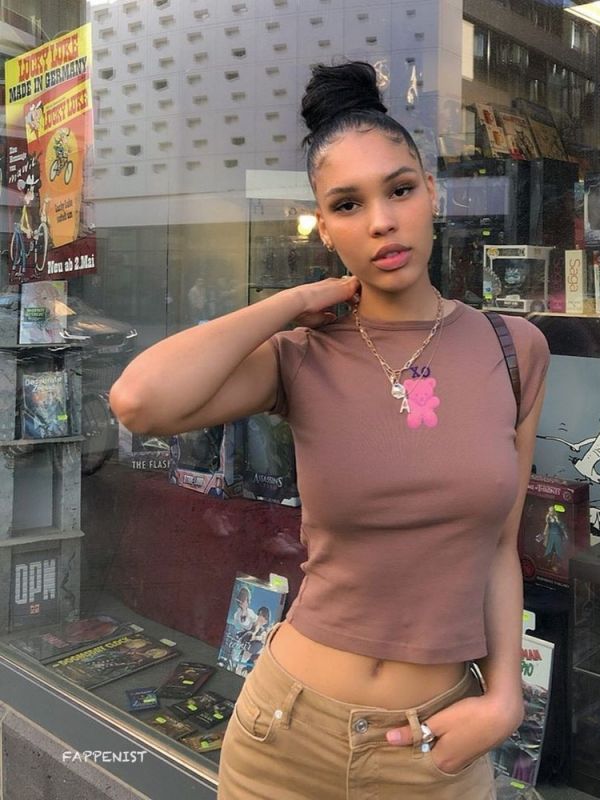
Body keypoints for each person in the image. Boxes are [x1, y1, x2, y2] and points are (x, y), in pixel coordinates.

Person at [109, 61, 549, 799]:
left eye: (399, 190)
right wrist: (291, 303)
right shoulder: (300, 356)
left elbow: (502, 547)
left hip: (433, 744)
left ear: (432, 193)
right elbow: (137, 400)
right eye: (347, 204)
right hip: (284, 734)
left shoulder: (513, 350)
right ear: (324, 226)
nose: (381, 221)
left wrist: (506, 698)